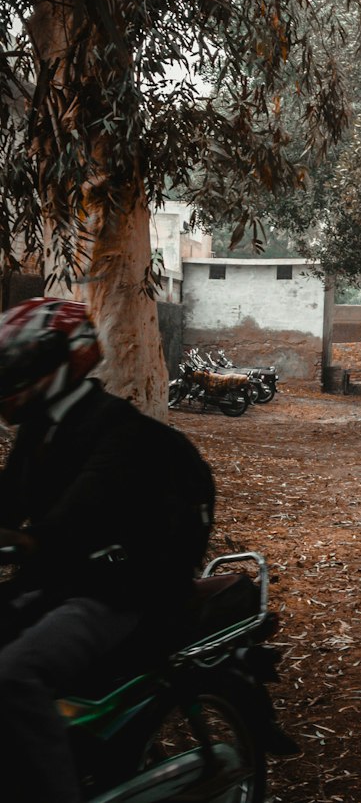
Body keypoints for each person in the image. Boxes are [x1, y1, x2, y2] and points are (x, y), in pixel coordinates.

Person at [0, 297, 215, 803]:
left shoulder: (118, 432)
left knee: (14, 676)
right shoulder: (40, 431)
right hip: (64, 579)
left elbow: (70, 522)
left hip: (120, 591)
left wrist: (25, 542)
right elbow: (7, 502)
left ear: (60, 363)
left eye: (18, 367)